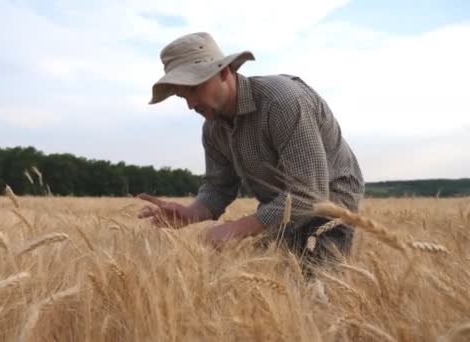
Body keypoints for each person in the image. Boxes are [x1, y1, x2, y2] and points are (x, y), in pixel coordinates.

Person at [138, 32, 364, 265]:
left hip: (329, 205)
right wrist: (192, 212)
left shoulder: (282, 103)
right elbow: (219, 186)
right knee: (257, 283)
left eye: (194, 89)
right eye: (182, 95)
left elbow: (310, 194)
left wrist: (237, 229)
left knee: (314, 286)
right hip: (277, 208)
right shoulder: (213, 129)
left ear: (224, 72)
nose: (190, 105)